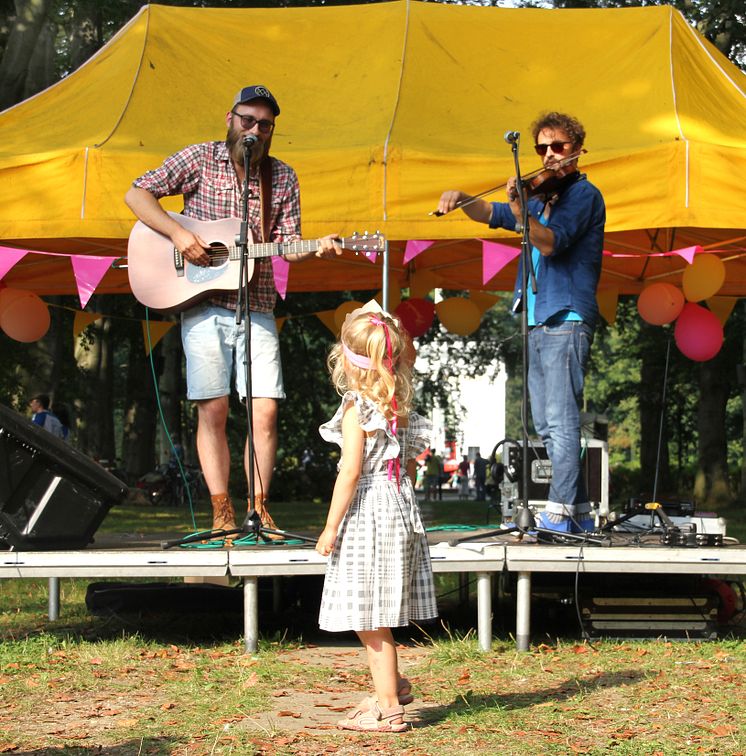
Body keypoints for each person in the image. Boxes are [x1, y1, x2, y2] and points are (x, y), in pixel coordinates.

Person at [125, 85, 342, 537]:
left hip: (258, 304)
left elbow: (285, 245)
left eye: (265, 125)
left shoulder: (281, 177)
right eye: (248, 120)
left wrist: (314, 247)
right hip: (202, 304)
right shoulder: (200, 159)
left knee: (264, 411)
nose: (255, 130)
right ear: (231, 117)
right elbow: (137, 196)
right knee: (214, 410)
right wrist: (180, 236)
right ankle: (222, 510)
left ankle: (258, 510)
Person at [438, 112, 605, 533]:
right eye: (541, 148)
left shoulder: (583, 196)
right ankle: (580, 515)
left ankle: (561, 511)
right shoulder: (538, 199)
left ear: (577, 150)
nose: (548, 156)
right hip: (535, 316)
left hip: (565, 316)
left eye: (558, 147)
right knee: (546, 422)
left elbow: (549, 243)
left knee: (561, 419)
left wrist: (518, 207)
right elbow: (491, 212)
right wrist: (462, 197)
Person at [315, 302, 437, 733]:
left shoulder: (357, 407)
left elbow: (350, 471)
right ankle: (395, 685)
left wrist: (330, 527)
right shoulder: (396, 403)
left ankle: (388, 708)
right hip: (399, 507)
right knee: (376, 611)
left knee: (368, 617)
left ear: (345, 361)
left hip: (370, 511)